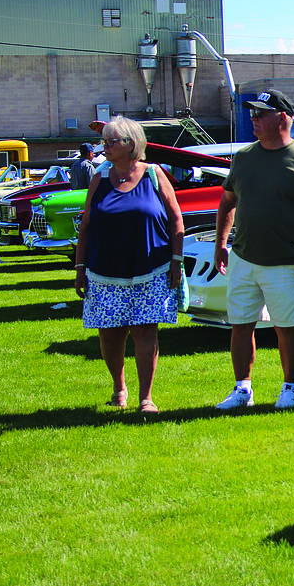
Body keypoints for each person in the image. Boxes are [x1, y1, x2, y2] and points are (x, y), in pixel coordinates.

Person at [213, 89, 294, 410]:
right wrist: (221, 244)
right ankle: (242, 390)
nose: (253, 118)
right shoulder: (244, 157)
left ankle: (290, 388)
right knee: (240, 325)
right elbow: (227, 202)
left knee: (287, 327)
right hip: (244, 258)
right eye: (252, 113)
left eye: (260, 113)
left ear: (282, 118)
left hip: (288, 263)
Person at [73, 116, 184, 413]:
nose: (105, 147)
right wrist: (80, 267)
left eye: (111, 142)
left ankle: (145, 397)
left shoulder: (154, 175)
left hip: (151, 270)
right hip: (104, 272)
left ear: (131, 144)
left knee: (145, 332)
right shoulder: (100, 178)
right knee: (109, 333)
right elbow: (86, 225)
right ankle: (118, 386)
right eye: (104, 142)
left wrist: (176, 261)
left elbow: (176, 220)